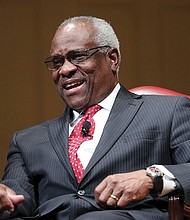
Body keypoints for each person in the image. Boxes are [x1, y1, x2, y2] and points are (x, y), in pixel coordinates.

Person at [0, 16, 190, 220]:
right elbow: (16, 200)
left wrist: (152, 177)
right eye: (57, 62)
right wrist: (5, 200)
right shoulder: (27, 140)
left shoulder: (168, 111)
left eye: (78, 56)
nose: (65, 70)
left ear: (112, 59)